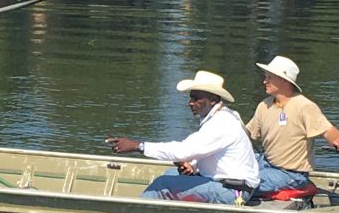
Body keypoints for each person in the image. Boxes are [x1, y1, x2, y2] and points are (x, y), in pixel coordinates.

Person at [107, 70, 259, 204]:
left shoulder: (221, 123)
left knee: (162, 184)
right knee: (170, 174)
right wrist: (193, 164)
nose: (190, 103)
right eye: (190, 98)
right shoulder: (225, 115)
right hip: (231, 184)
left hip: (232, 192)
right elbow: (208, 150)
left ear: (212, 99)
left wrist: (138, 146)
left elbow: (182, 151)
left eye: (196, 98)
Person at [245, 56, 339, 195]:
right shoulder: (264, 105)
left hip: (291, 174)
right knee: (227, 172)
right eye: (266, 77)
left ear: (283, 80)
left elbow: (328, 130)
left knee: (243, 184)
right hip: (265, 162)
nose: (265, 81)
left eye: (269, 77)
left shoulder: (304, 106)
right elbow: (246, 133)